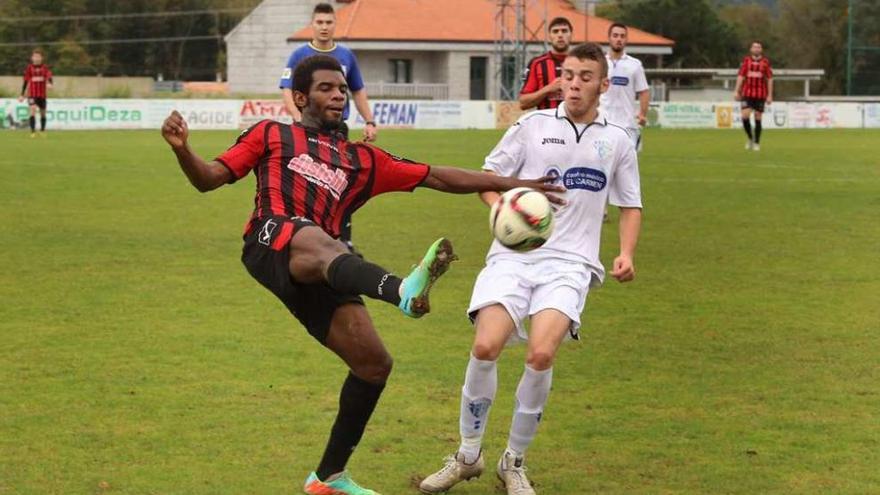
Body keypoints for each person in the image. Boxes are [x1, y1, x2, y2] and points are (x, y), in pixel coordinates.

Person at [161, 54, 562, 495]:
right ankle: (401, 291)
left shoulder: (362, 160)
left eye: (342, 90)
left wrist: (509, 183)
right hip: (270, 239)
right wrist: (184, 151)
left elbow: (437, 177)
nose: (338, 95)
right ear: (300, 98)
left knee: (373, 364)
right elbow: (209, 178)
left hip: (328, 264)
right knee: (315, 236)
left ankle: (328, 477)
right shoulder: (271, 133)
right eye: (326, 89)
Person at [420, 42, 643, 495]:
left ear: (603, 84)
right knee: (485, 346)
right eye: (568, 74)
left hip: (571, 264)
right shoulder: (531, 125)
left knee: (541, 355)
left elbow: (630, 204)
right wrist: (508, 210)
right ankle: (467, 454)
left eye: (584, 76)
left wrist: (626, 253)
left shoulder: (617, 139)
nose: (573, 82)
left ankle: (514, 462)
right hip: (513, 257)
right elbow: (488, 178)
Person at [280, 2, 377, 252]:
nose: (324, 27)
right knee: (308, 182)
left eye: (328, 22)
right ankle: (305, 235)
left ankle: (343, 237)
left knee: (341, 184)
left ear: (335, 24)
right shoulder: (299, 55)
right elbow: (286, 89)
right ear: (312, 25)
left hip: (337, 130)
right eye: (319, 22)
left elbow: (358, 90)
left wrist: (369, 121)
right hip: (308, 129)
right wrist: (297, 118)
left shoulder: (346, 56)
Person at [600, 23, 649, 151]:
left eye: (622, 36)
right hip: (603, 122)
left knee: (628, 167)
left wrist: (642, 114)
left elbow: (644, 91)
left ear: (626, 39)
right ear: (609, 38)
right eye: (615, 35)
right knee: (604, 165)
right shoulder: (600, 63)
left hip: (627, 124)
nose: (619, 39)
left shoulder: (635, 64)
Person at [518, 17, 572, 111]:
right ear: (549, 37)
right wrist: (548, 89)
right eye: (555, 32)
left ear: (571, 35)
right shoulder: (537, 64)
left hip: (574, 123)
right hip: (546, 124)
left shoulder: (581, 63)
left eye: (564, 31)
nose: (560, 35)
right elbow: (523, 103)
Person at [734, 40, 773, 151]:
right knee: (745, 116)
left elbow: (770, 79)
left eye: (758, 47)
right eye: (754, 47)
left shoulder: (765, 62)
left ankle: (757, 143)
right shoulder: (746, 61)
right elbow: (741, 76)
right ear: (751, 49)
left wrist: (770, 95)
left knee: (758, 116)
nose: (756, 49)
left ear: (761, 50)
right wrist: (736, 91)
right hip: (747, 93)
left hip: (760, 94)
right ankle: (750, 138)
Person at [19, 48, 53, 138]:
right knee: (33, 109)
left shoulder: (45, 68)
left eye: (38, 57)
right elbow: (25, 81)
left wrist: (50, 83)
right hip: (32, 95)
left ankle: (42, 130)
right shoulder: (29, 68)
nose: (37, 58)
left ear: (42, 58)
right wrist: (22, 94)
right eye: (35, 57)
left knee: (43, 113)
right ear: (32, 58)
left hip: (42, 95)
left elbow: (49, 76)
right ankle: (33, 132)